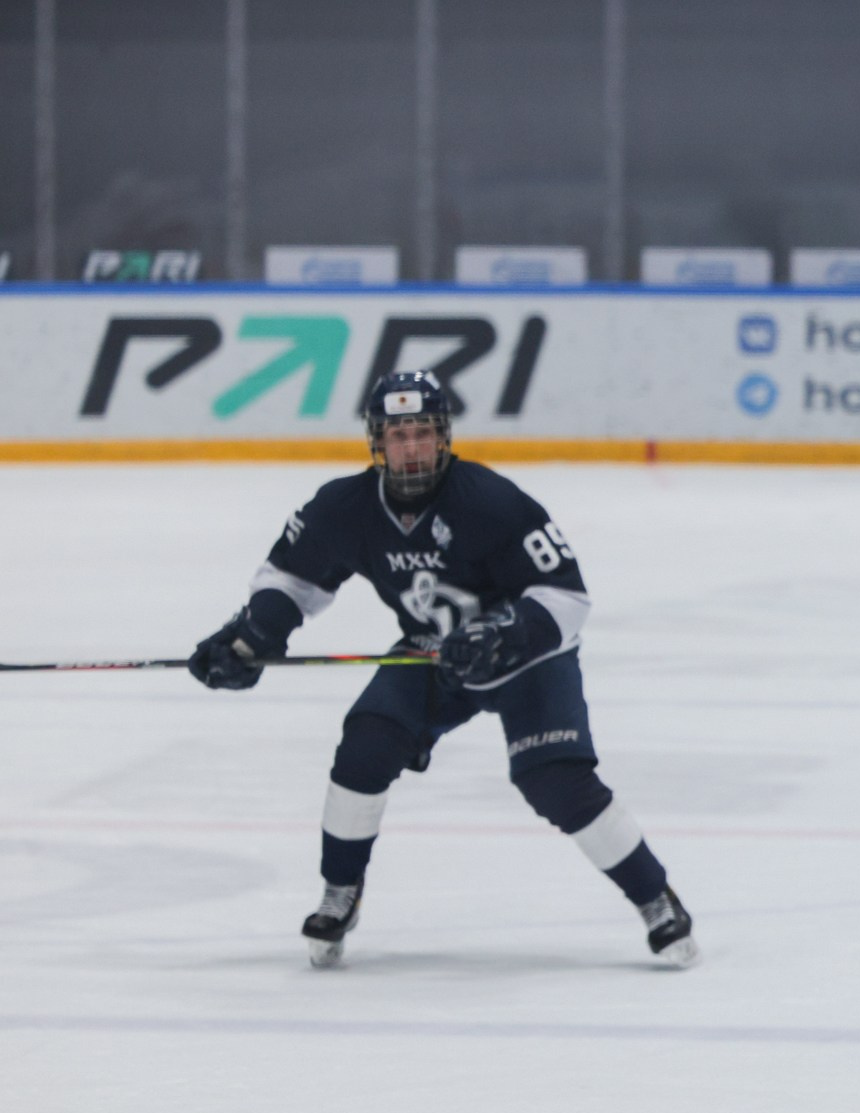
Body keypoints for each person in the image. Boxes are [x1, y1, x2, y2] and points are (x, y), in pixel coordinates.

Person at [187, 370, 697, 969]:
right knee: (365, 746)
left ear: (444, 436)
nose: (412, 448)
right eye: (398, 435)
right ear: (377, 441)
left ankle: (654, 898)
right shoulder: (345, 507)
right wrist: (255, 635)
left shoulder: (492, 501)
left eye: (423, 433)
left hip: (529, 657)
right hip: (434, 652)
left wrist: (507, 632)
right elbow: (291, 579)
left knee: (555, 781)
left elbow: (566, 596)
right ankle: (340, 891)